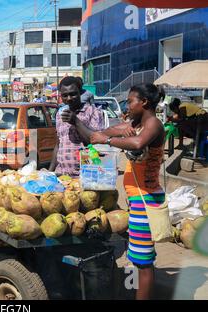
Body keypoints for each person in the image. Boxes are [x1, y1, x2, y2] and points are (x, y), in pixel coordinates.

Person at [71, 83, 166, 300]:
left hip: (146, 199)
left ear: (144, 102)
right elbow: (102, 133)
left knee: (143, 263)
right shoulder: (137, 123)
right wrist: (111, 132)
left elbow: (137, 142)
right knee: (139, 258)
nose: (127, 105)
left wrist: (108, 139)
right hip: (138, 198)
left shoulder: (153, 124)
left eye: (131, 101)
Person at [49, 76, 105, 177]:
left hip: (85, 174)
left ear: (81, 92)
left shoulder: (93, 112)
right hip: (62, 175)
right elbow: (58, 144)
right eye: (65, 95)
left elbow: (94, 142)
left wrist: (76, 121)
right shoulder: (60, 114)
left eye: (73, 94)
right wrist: (50, 172)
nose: (69, 98)